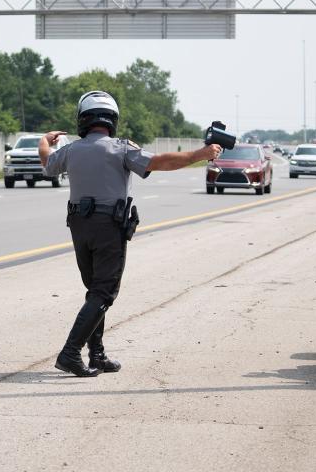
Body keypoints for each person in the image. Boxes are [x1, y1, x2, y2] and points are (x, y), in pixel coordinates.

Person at [40, 90, 222, 377]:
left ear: (82, 119)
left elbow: (48, 165)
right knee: (103, 292)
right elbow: (162, 162)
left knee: (94, 292)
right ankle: (70, 353)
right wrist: (202, 154)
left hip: (79, 226)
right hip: (107, 228)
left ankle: (96, 354)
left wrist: (43, 141)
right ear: (112, 119)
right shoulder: (121, 148)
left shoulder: (70, 150)